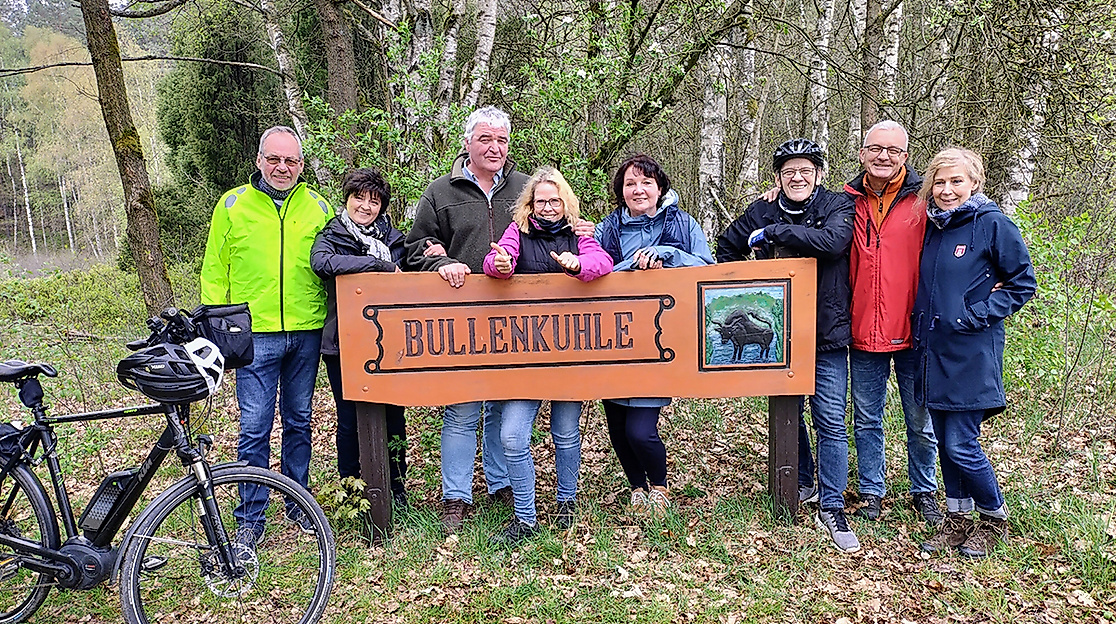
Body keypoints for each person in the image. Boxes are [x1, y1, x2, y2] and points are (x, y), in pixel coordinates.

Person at [717, 138, 859, 553]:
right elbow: (727, 247)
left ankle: (832, 506)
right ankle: (801, 481)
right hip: (781, 334)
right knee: (788, 415)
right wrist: (750, 291)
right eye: (789, 171)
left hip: (826, 332)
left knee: (830, 419)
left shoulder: (837, 205)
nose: (798, 177)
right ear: (777, 177)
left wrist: (776, 233)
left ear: (819, 174)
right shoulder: (761, 209)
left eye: (805, 170)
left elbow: (833, 242)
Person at [200, 125, 331, 548]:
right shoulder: (232, 204)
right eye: (273, 159)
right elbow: (214, 270)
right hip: (253, 334)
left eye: (290, 160)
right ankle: (250, 517)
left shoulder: (318, 206)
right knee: (255, 427)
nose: (281, 167)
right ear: (259, 160)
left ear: (301, 165)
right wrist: (217, 328)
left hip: (306, 330)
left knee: (299, 421)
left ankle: (299, 504)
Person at [403, 106, 530, 532]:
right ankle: (455, 495)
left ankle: (500, 484)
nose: (494, 148)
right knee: (462, 409)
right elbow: (416, 247)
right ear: (467, 143)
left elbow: (550, 228)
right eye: (485, 139)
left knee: (501, 406)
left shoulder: (525, 188)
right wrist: (439, 262)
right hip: (461, 319)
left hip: (514, 317)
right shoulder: (440, 192)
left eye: (501, 140)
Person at [912, 148, 1035, 558]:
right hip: (932, 351)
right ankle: (958, 518)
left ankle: (994, 519)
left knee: (961, 444)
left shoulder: (992, 223)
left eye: (956, 181)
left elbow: (1022, 283)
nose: (947, 190)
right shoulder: (934, 226)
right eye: (940, 182)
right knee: (945, 443)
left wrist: (976, 314)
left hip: (971, 351)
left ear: (975, 183)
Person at [481, 167, 614, 545]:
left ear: (565, 202)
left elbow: (601, 263)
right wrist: (500, 265)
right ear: (530, 204)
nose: (549, 207)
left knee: (566, 433)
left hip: (569, 352)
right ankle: (525, 518)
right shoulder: (517, 231)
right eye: (542, 201)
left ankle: (566, 503)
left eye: (555, 201)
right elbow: (498, 261)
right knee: (512, 435)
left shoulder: (580, 233)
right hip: (525, 353)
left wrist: (578, 265)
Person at [594, 154, 714, 513]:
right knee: (618, 428)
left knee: (640, 430)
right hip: (613, 338)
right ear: (621, 191)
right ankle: (637, 487)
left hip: (661, 342)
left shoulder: (683, 224)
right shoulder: (607, 229)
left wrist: (668, 255)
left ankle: (659, 486)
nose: (638, 190)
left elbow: (708, 267)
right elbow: (593, 271)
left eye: (646, 182)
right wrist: (632, 268)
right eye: (630, 183)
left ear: (659, 188)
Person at [843, 120, 943, 525]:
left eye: (893, 150)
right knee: (866, 419)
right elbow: (803, 211)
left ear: (905, 156)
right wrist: (774, 195)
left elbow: (971, 224)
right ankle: (872, 492)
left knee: (919, 420)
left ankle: (925, 491)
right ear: (862, 153)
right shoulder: (845, 201)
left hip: (914, 329)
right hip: (862, 328)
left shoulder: (925, 201)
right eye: (876, 148)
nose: (883, 156)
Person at [310, 168, 409, 507]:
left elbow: (409, 268)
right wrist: (377, 265)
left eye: (374, 201)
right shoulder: (332, 234)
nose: (365, 206)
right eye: (359, 198)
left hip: (389, 343)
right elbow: (322, 263)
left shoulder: (393, 239)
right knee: (349, 419)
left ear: (382, 207)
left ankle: (396, 488)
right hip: (342, 341)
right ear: (347, 199)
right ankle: (352, 490)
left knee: (393, 416)